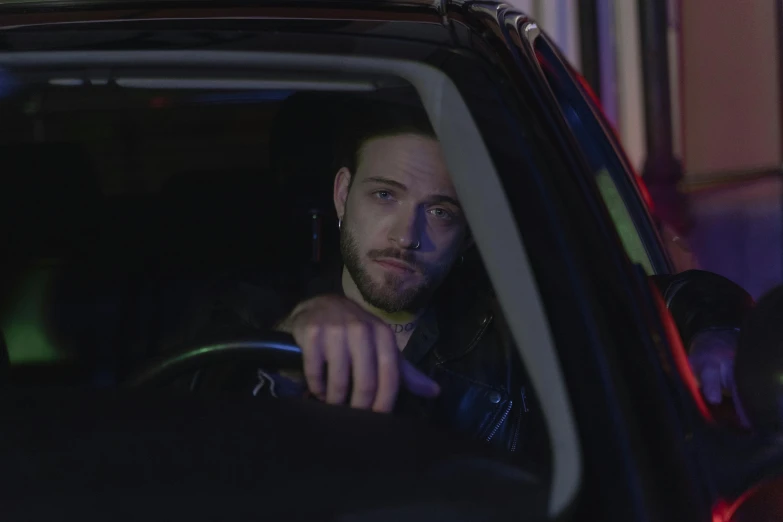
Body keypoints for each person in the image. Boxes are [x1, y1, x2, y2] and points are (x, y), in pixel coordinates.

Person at [185, 99, 753, 457]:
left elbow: (667, 298)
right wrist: (292, 343)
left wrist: (720, 334)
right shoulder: (250, 312)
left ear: (469, 230)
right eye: (385, 195)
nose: (407, 235)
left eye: (440, 211)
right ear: (342, 194)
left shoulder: (516, 328)